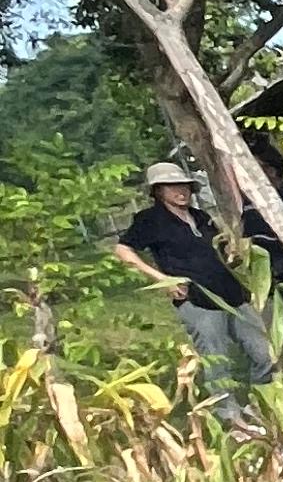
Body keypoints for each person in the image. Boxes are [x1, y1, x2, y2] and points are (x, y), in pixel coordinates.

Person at [113, 163, 273, 414]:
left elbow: (220, 251)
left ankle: (263, 402)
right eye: (172, 186)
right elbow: (123, 250)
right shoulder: (150, 220)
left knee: (264, 352)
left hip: (231, 292)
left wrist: (234, 253)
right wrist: (162, 279)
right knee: (217, 360)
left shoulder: (201, 216)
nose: (181, 191)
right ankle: (230, 416)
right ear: (158, 191)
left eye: (185, 186)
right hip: (196, 299)